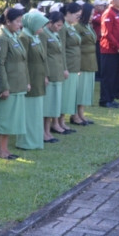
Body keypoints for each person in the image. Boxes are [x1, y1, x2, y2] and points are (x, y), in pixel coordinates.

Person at [0, 7, 28, 159]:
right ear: (7, 21)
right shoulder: (2, 37)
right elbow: (0, 63)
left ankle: (5, 148)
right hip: (8, 85)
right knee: (2, 118)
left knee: (10, 119)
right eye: (17, 21)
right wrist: (4, 86)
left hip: (17, 84)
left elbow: (22, 61)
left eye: (21, 22)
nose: (20, 25)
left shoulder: (13, 36)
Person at [16, 11, 49, 150]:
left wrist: (45, 75)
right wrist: (27, 81)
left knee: (36, 111)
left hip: (38, 77)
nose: (42, 28)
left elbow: (42, 58)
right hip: (30, 78)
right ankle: (26, 141)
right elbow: (23, 61)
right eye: (40, 25)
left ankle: (36, 140)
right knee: (29, 111)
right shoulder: (24, 37)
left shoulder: (35, 36)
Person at [99, 0, 119, 108]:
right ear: (113, 1)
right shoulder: (108, 13)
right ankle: (105, 100)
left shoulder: (117, 13)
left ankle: (111, 98)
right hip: (109, 50)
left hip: (115, 50)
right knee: (108, 76)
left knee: (114, 75)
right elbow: (107, 33)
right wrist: (118, 46)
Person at [41, 11, 67, 142]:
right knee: (47, 105)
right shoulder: (44, 34)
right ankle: (44, 132)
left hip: (57, 73)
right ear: (50, 22)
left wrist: (64, 69)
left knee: (53, 104)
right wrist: (45, 74)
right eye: (57, 25)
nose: (59, 28)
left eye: (61, 26)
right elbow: (43, 56)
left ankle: (48, 130)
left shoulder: (54, 34)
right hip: (50, 73)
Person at [58, 3, 82, 133]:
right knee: (65, 95)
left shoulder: (71, 27)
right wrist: (64, 67)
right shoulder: (63, 27)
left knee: (69, 95)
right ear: (68, 13)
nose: (78, 18)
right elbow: (61, 49)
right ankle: (59, 122)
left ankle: (62, 121)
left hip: (74, 66)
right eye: (76, 15)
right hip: (67, 65)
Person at [73, 3, 98, 125]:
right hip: (81, 61)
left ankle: (81, 113)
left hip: (90, 60)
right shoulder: (78, 27)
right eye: (91, 14)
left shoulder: (88, 26)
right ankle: (75, 115)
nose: (92, 16)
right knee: (79, 89)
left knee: (86, 89)